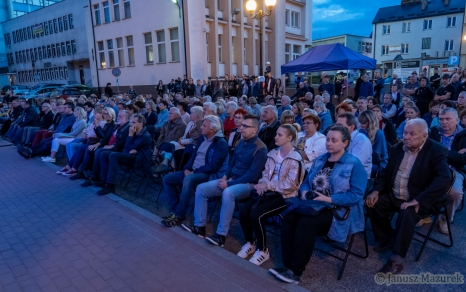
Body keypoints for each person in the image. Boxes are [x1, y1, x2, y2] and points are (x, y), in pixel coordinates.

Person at [269, 125, 367, 284]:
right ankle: (287, 266)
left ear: (345, 143)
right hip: (312, 204)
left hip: (336, 209)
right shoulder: (321, 159)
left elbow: (356, 195)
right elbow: (306, 182)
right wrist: (305, 192)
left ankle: (295, 271)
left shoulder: (354, 164)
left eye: (334, 140)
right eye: (328, 139)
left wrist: (328, 199)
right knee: (288, 217)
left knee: (306, 224)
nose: (329, 143)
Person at [366, 119, 451, 274]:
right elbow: (385, 173)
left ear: (424, 136)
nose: (407, 136)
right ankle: (387, 238)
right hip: (396, 193)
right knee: (373, 203)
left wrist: (419, 200)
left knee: (407, 214)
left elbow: (444, 179)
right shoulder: (397, 148)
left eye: (412, 134)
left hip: (419, 197)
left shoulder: (436, 151)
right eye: (405, 132)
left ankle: (396, 260)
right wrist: (376, 190)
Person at [181, 115, 268, 247]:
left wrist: (229, 183)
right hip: (231, 180)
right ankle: (200, 227)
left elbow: (252, 175)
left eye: (245, 126)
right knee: (201, 189)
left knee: (228, 192)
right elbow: (232, 163)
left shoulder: (260, 148)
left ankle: (221, 235)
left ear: (255, 130)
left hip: (249, 185)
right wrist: (225, 177)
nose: (241, 128)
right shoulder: (240, 142)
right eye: (241, 125)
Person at [237, 124, 305, 265]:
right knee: (244, 212)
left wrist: (268, 185)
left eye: (280, 135)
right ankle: (250, 243)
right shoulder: (273, 153)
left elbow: (291, 186)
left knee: (256, 215)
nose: (276, 137)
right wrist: (262, 183)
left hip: (285, 196)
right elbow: (265, 173)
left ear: (290, 138)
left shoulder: (296, 158)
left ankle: (263, 251)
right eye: (276, 134)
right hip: (267, 192)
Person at [161, 115, 229, 227]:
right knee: (167, 179)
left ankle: (179, 215)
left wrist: (194, 172)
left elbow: (213, 166)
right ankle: (176, 209)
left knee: (188, 179)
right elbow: (194, 156)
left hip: (207, 174)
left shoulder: (220, 144)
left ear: (212, 129)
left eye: (204, 125)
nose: (201, 127)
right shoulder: (202, 138)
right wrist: (187, 168)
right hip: (193, 171)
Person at [428, 108, 464, 233]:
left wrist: (441, 152)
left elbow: (462, 160)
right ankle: (423, 214)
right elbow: (428, 153)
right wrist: (453, 155)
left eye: (448, 119)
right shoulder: (433, 132)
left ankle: (445, 219)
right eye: (441, 119)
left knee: (455, 193)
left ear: (457, 120)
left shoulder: (464, 135)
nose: (443, 122)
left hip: (454, 170)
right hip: (432, 167)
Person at [96, 114, 152, 195]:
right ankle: (105, 180)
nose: (131, 124)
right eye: (131, 122)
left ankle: (110, 185)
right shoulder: (135, 132)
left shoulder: (145, 136)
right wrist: (131, 147)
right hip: (131, 155)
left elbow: (128, 148)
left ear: (140, 124)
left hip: (139, 160)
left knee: (113, 156)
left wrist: (130, 135)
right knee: (103, 154)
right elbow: (126, 149)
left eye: (134, 122)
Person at [336, 113, 372, 178]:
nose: (337, 128)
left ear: (352, 127)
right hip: (340, 174)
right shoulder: (339, 138)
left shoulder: (361, 140)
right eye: (336, 125)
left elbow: (355, 164)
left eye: (340, 125)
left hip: (357, 178)